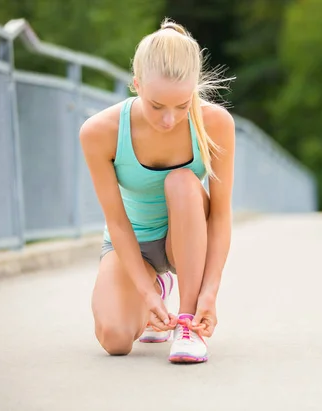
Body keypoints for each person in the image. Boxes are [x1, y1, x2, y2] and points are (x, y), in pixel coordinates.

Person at [79, 18, 235, 363]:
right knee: (116, 339)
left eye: (182, 106)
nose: (169, 120)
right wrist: (145, 293)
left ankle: (187, 322)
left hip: (188, 238)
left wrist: (210, 293)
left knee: (180, 180)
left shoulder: (215, 124)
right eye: (156, 106)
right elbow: (117, 223)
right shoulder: (99, 132)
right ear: (136, 84)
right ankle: (158, 288)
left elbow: (221, 215)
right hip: (133, 240)